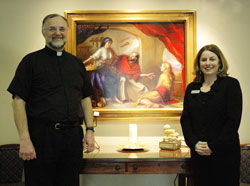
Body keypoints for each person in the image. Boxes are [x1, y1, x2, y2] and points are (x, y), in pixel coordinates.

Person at [7, 14, 95, 186]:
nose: (57, 33)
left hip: (72, 138)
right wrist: (24, 139)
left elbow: (85, 98)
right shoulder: (30, 62)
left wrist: (90, 130)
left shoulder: (76, 63)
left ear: (67, 32)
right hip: (41, 138)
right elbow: (18, 101)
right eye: (52, 29)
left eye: (61, 29)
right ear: (43, 32)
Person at [180, 44, 242, 186]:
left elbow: (233, 121)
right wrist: (194, 143)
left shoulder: (231, 85)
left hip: (224, 154)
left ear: (220, 62)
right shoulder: (191, 88)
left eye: (212, 59)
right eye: (203, 60)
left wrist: (213, 146)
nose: (207, 63)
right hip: (199, 154)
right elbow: (186, 119)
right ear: (199, 63)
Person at [84, 37, 122, 105]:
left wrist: (112, 65)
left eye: (110, 43)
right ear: (105, 43)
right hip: (100, 69)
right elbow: (92, 57)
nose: (109, 44)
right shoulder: (101, 50)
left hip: (107, 68)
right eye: (108, 43)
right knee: (102, 81)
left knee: (113, 80)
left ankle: (114, 97)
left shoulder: (111, 50)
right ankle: (102, 97)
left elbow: (117, 57)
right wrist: (84, 62)